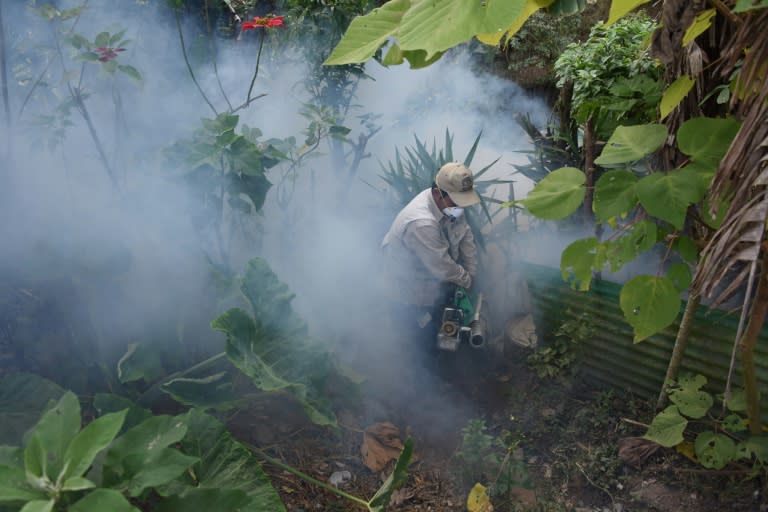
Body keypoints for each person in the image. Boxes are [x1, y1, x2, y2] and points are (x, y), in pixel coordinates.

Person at [380, 162, 480, 359]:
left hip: (430, 279)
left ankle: (438, 356)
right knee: (414, 341)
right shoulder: (421, 222)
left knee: (436, 329)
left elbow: (466, 236)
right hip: (407, 288)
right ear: (437, 193)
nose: (460, 207)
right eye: (456, 201)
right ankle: (418, 376)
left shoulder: (450, 203)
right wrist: (467, 280)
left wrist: (472, 270)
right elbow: (442, 267)